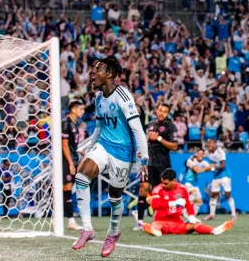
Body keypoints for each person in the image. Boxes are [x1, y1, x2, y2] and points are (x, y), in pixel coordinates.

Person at [71, 56, 149, 258]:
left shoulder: (123, 97)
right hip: (104, 145)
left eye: (98, 69)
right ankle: (87, 228)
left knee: (115, 197)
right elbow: (98, 128)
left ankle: (113, 232)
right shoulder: (98, 98)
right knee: (81, 176)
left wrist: (144, 158)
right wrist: (86, 148)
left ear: (110, 74)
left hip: (123, 153)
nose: (93, 73)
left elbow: (138, 129)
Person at [142, 169, 233, 237]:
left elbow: (188, 204)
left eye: (166, 183)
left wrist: (191, 215)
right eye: (162, 182)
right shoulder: (158, 189)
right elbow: (155, 205)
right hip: (161, 221)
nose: (163, 185)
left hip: (177, 222)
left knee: (195, 225)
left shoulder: (182, 189)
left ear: (174, 181)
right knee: (155, 225)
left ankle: (214, 230)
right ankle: (156, 232)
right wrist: (173, 203)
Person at [135, 103, 178, 230]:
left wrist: (158, 138)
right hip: (148, 163)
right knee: (143, 188)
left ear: (168, 114)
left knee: (164, 192)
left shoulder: (171, 127)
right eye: (160, 110)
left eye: (164, 111)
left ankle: (165, 219)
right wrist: (142, 151)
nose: (161, 113)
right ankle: (140, 222)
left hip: (163, 164)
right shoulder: (151, 125)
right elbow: (147, 141)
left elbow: (175, 146)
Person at [61, 99, 84, 230]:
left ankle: (61, 218)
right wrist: (70, 163)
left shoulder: (75, 124)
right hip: (66, 160)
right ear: (73, 110)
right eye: (81, 109)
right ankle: (70, 221)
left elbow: (71, 145)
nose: (83, 111)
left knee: (68, 190)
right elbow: (64, 145)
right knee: (67, 189)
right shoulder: (66, 123)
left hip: (73, 159)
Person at [204, 138, 236, 221]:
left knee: (227, 194)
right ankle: (212, 214)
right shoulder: (207, 152)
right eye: (208, 143)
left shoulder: (220, 151)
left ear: (215, 143)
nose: (209, 144)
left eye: (211, 143)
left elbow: (223, 165)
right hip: (216, 176)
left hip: (225, 176)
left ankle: (233, 214)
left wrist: (213, 168)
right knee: (213, 194)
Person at [183, 148, 211, 216]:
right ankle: (184, 211)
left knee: (199, 202)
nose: (200, 155)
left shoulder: (204, 162)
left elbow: (210, 168)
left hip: (195, 184)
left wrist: (209, 167)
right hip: (188, 182)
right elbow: (197, 170)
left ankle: (192, 216)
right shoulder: (191, 160)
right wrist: (206, 168)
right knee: (193, 193)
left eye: (202, 154)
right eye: (199, 153)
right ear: (196, 154)